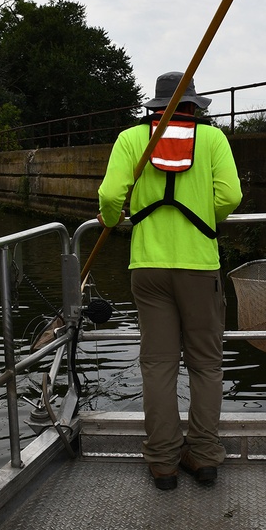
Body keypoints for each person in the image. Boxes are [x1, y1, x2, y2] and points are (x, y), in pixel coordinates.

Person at [98, 71, 242, 491]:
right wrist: (205, 216)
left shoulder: (130, 139)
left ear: (155, 108)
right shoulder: (213, 140)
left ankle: (162, 460)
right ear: (194, 107)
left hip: (148, 266)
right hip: (199, 266)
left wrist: (113, 220)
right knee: (206, 364)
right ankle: (203, 455)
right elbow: (230, 196)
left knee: (158, 365)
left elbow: (109, 197)